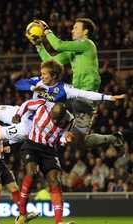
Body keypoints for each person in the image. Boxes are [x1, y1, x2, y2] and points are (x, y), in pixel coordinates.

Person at [26, 18, 124, 151]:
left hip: (86, 97)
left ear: (86, 31)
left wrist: (47, 30)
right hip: (74, 95)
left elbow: (58, 45)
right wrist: (39, 46)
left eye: (76, 28)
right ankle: (113, 138)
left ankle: (113, 138)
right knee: (79, 142)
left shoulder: (87, 44)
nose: (72, 30)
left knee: (78, 140)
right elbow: (50, 62)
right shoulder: (72, 52)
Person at [14, 99, 75, 224]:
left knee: (55, 181)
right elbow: (26, 105)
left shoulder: (70, 120)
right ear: (51, 110)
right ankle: (22, 213)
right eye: (53, 117)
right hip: (32, 145)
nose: (54, 121)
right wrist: (19, 114)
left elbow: (61, 138)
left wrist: (66, 139)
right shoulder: (42, 104)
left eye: (57, 119)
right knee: (32, 172)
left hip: (49, 151)